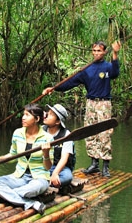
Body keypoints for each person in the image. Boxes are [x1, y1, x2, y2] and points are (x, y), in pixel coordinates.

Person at [42, 40, 120, 178]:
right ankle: (94, 163)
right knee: (89, 131)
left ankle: (105, 166)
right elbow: (70, 82)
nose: (96, 53)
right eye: (94, 51)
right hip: (90, 103)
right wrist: (53, 88)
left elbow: (115, 73)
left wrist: (115, 53)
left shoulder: (107, 67)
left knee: (104, 133)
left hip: (104, 103)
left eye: (99, 51)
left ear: (104, 52)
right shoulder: (86, 70)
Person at [0, 104, 52, 215]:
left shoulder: (47, 138)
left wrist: (46, 153)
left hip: (39, 179)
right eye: (23, 115)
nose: (23, 118)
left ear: (36, 119)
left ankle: (5, 196)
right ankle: (30, 203)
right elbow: (12, 155)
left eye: (27, 115)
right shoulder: (17, 133)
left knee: (35, 188)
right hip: (19, 177)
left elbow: (48, 167)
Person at [41, 103, 83, 194]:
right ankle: (47, 182)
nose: (47, 115)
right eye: (48, 112)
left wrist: (56, 173)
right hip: (44, 165)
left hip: (60, 168)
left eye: (51, 114)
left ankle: (45, 182)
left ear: (57, 122)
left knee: (67, 177)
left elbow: (64, 157)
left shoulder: (66, 135)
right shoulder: (41, 130)